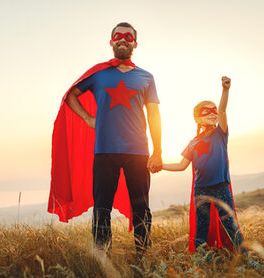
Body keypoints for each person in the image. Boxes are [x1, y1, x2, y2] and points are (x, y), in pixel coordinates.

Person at [48, 22, 162, 256]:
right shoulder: (98, 73)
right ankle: (102, 256)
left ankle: (144, 255)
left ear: (135, 44)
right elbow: (71, 96)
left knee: (141, 207)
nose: (123, 39)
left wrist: (158, 151)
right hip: (104, 152)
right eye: (118, 36)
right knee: (102, 208)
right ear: (111, 42)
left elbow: (154, 115)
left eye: (128, 37)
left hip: (138, 152)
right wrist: (88, 118)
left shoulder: (146, 77)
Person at [162, 76, 247, 254]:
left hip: (220, 188)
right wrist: (160, 165)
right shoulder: (193, 142)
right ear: (198, 119)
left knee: (230, 225)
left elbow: (223, 111)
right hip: (201, 190)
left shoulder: (220, 133)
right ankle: (201, 261)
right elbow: (181, 165)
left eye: (213, 109)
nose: (213, 113)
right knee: (201, 229)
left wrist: (225, 90)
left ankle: (245, 259)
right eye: (207, 111)